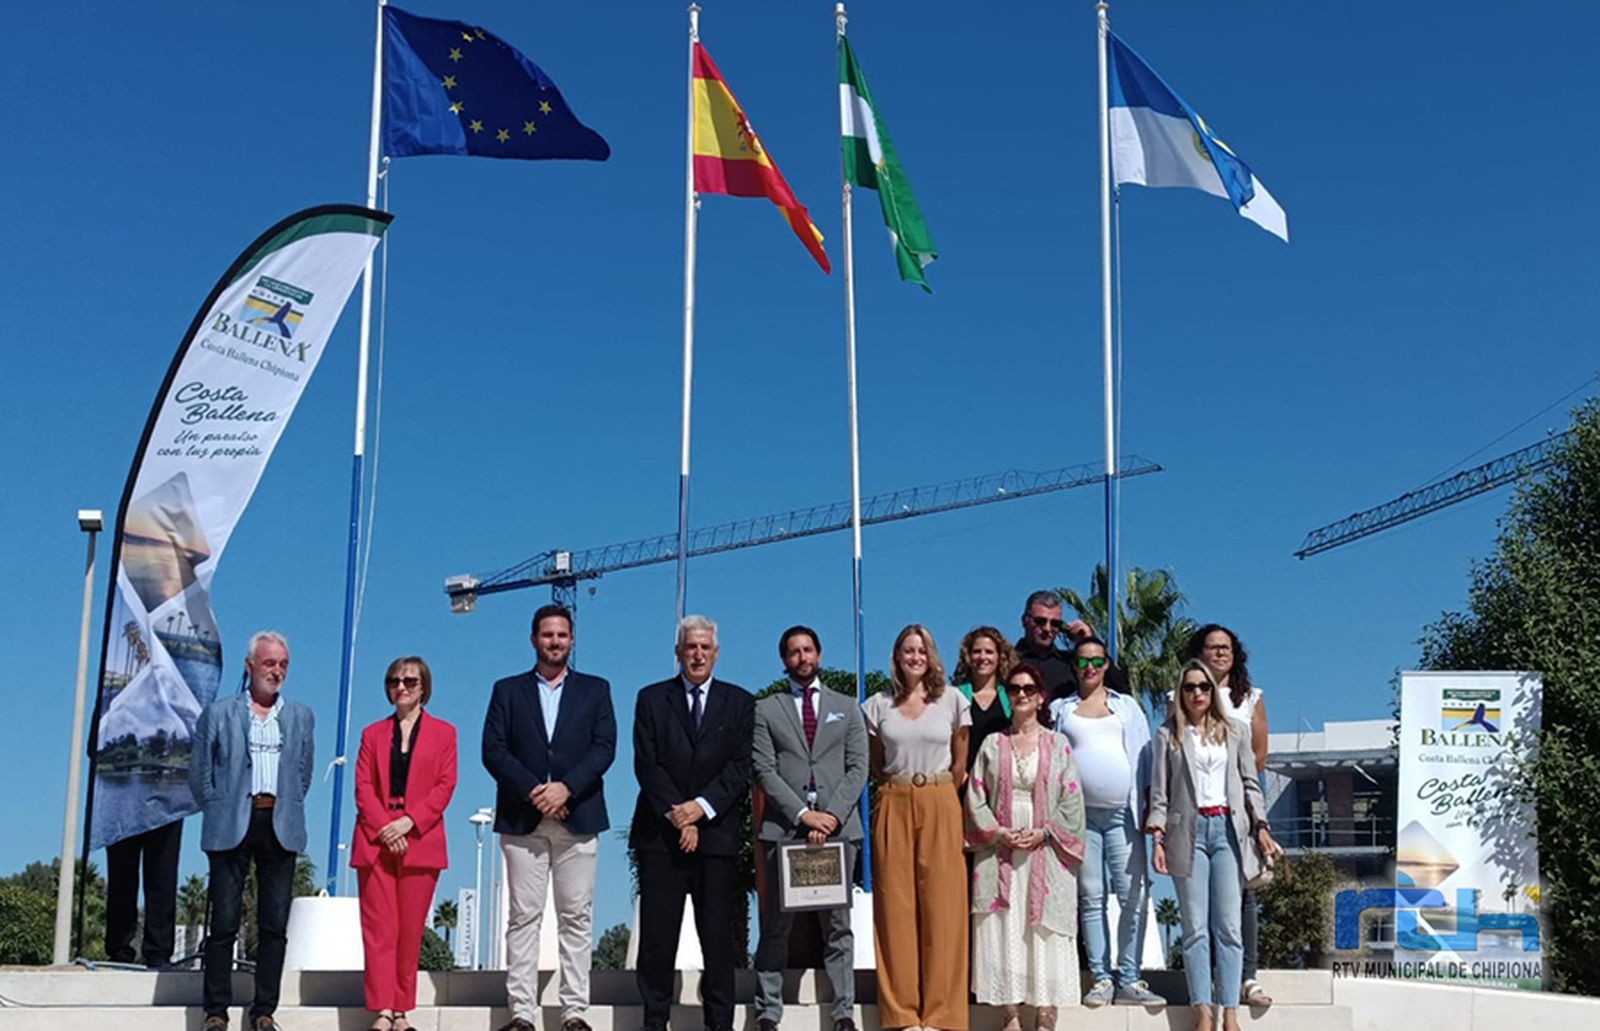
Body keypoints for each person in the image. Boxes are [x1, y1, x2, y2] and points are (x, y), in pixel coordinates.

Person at [482, 604, 617, 1031]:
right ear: (533, 639)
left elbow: (604, 747)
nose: (554, 642)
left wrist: (566, 788)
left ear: (571, 640)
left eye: (561, 635)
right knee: (524, 917)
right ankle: (522, 1012)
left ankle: (574, 1011)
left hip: (578, 818)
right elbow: (494, 750)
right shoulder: (507, 690)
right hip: (523, 820)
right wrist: (534, 791)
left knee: (576, 917)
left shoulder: (596, 690)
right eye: (546, 635)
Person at [629, 616, 754, 1031]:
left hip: (716, 837)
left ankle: (719, 1022)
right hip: (660, 836)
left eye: (705, 647)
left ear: (715, 653)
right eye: (690, 647)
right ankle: (655, 1019)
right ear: (678, 652)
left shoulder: (739, 703)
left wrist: (700, 809)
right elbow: (647, 764)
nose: (697, 654)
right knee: (657, 939)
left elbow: (739, 768)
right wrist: (678, 814)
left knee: (718, 938)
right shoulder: (651, 699)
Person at [189, 630, 314, 1031]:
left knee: (274, 924)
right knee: (224, 921)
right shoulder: (219, 713)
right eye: (268, 663)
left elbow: (303, 773)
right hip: (231, 823)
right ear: (250, 666)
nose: (276, 671)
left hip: (279, 823)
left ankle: (264, 1011)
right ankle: (216, 1011)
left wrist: (287, 802)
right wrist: (218, 803)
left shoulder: (300, 716)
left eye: (282, 664)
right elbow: (199, 775)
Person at [1147, 662, 1282, 1031]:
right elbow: (1159, 792)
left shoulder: (1234, 731)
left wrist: (1261, 827)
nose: (1197, 694)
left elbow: (1250, 785)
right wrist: (1156, 838)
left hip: (1227, 830)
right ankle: (1202, 1009)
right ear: (1180, 692)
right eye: (1189, 688)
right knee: (1194, 928)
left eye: (1204, 687)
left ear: (1212, 692)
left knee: (1228, 927)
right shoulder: (1166, 736)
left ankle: (1230, 1012)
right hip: (1185, 832)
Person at [751, 626, 868, 1031]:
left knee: (838, 926)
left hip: (837, 830)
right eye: (794, 652)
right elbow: (764, 769)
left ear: (818, 653)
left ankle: (843, 1012)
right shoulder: (767, 709)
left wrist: (830, 816)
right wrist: (803, 815)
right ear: (784, 660)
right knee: (775, 926)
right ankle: (768, 1009)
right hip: (785, 829)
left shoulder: (848, 706)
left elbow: (859, 768)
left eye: (808, 650)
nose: (802, 658)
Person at [965, 663, 1087, 1031]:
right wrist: (999, 833)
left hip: (1045, 848)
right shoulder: (992, 744)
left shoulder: (1058, 744)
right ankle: (1011, 1014)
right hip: (1002, 846)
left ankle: (1046, 1011)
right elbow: (976, 795)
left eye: (1029, 689)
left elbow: (1072, 799)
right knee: (1007, 922)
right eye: (1015, 689)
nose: (1021, 695)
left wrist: (1045, 833)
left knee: (1043, 925)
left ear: (1040, 696)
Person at [863, 624, 970, 1031]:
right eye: (908, 650)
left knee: (944, 906)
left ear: (931, 656)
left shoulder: (952, 701)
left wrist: (941, 793)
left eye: (921, 650)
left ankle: (943, 1015)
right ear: (896, 656)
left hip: (940, 796)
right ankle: (902, 1014)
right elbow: (877, 760)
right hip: (895, 796)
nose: (914, 657)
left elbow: (960, 758)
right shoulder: (877, 705)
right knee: (895, 906)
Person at [1046, 636, 1162, 1008]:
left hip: (1122, 816)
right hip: (1080, 818)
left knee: (1133, 895)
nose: (1090, 668)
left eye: (1096, 661)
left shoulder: (1127, 707)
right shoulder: (1060, 709)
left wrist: (1149, 809)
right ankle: (1100, 976)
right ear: (1074, 667)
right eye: (1082, 662)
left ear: (1107, 664)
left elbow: (1146, 759)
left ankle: (1129, 975)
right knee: (1091, 897)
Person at [352, 656, 458, 1031]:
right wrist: (385, 827)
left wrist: (408, 823)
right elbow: (363, 787)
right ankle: (381, 1008)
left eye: (410, 681)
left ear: (423, 687)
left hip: (420, 838)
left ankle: (401, 1010)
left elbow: (445, 785)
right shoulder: (371, 734)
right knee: (379, 929)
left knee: (409, 930)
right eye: (394, 680)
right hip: (376, 838)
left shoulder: (445, 734)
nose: (401, 687)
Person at [1182, 624, 1272, 1007]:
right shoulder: (1185, 692)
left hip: (1238, 804)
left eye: (1226, 647)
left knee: (1244, 895)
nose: (1219, 653)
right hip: (1195, 811)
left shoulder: (1249, 698)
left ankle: (1246, 977)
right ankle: (1210, 987)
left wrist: (1253, 815)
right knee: (1201, 911)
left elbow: (1259, 754)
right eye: (1212, 647)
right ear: (1199, 653)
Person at [1013, 590, 1123, 702]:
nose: (1047, 628)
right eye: (1040, 621)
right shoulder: (1007, 661)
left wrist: (1088, 641)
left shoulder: (1072, 663)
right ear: (1024, 621)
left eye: (1055, 624)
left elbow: (1120, 691)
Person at [104, 818, 183, 967]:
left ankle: (159, 951)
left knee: (163, 875)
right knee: (120, 877)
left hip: (167, 803)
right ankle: (120, 949)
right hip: (122, 805)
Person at [952, 626, 1019, 764]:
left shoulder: (1009, 696)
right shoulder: (957, 695)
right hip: (965, 779)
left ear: (1000, 657)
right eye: (977, 652)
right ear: (968, 657)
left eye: (989, 652)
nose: (983, 657)